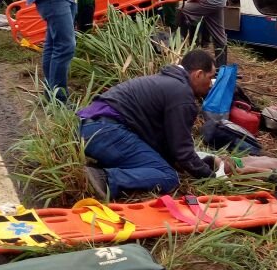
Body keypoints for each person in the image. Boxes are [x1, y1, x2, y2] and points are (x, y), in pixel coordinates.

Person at [80, 50, 221, 199]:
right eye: (210, 78)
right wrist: (211, 177)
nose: (211, 85)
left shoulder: (167, 82)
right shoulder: (181, 93)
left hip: (92, 126)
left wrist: (197, 163)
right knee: (167, 176)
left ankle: (102, 169)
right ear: (198, 74)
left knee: (159, 164)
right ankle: (103, 178)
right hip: (105, 130)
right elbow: (182, 152)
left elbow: (169, 146)